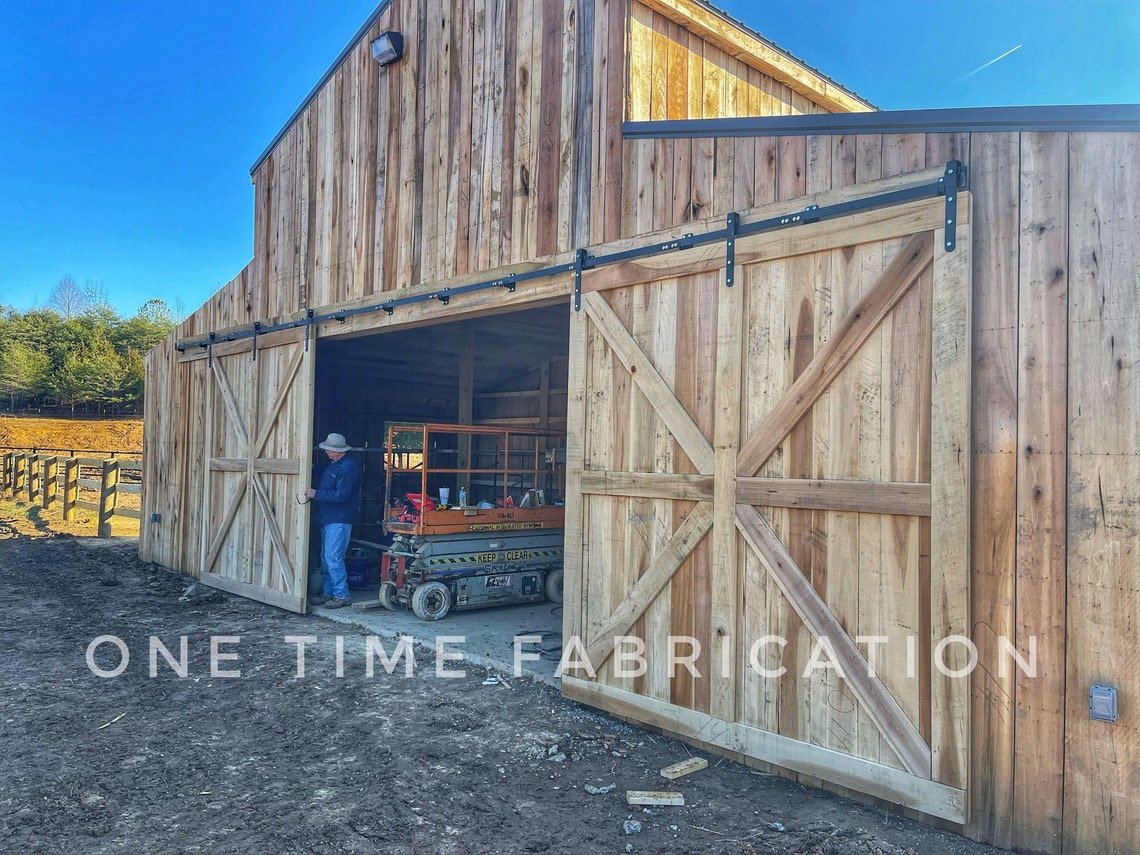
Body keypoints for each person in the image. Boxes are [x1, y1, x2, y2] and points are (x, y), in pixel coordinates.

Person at [305, 432, 360, 609]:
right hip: (329, 518)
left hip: (339, 519)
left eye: (328, 449)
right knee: (326, 557)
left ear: (337, 451)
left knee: (333, 557)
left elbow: (342, 495)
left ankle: (342, 594)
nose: (326, 451)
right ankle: (328, 593)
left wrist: (316, 494)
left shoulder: (348, 467)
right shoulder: (334, 464)